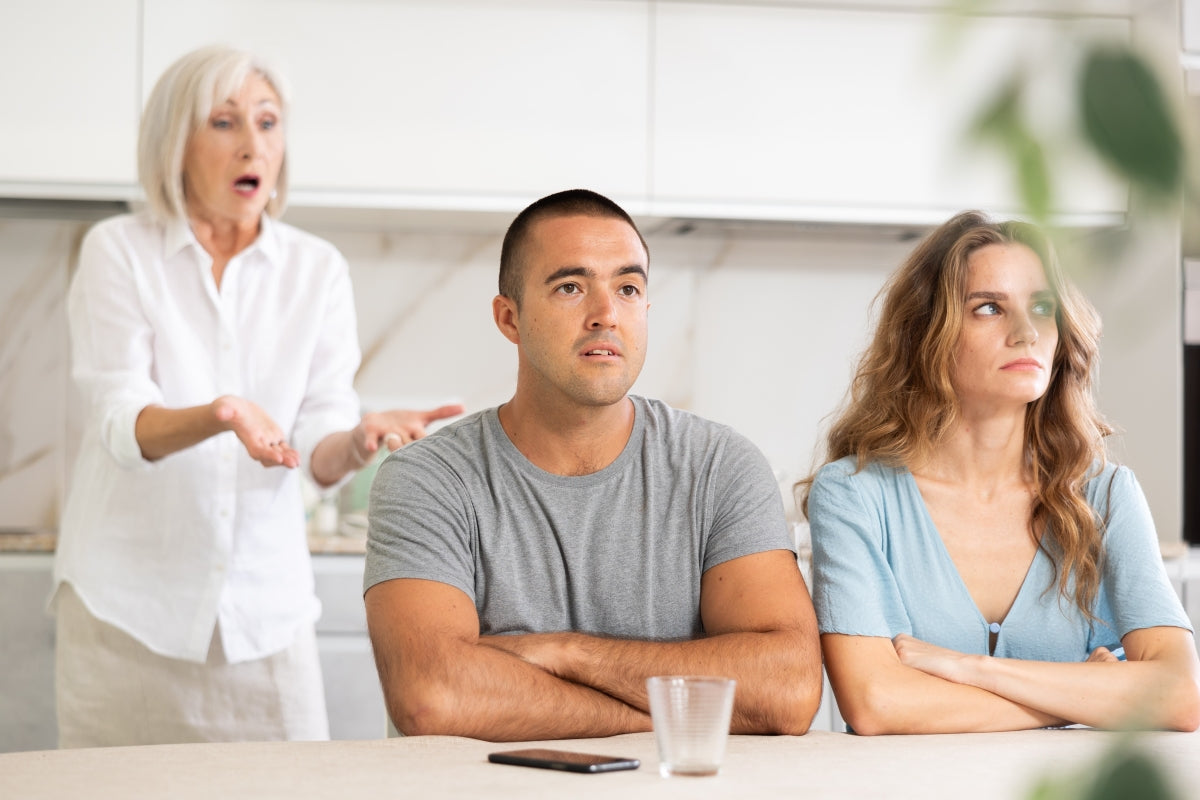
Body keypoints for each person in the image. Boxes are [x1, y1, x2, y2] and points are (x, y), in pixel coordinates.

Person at [53, 45, 463, 747]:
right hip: (125, 621)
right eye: (224, 121)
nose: (254, 144)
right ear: (173, 142)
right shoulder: (118, 250)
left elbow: (317, 447)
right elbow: (123, 424)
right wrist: (221, 415)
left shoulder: (317, 269)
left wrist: (358, 439)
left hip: (263, 623)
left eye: (268, 122)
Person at [364, 189, 822, 740]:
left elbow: (789, 690)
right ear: (510, 318)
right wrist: (665, 716)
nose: (606, 315)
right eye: (570, 287)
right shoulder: (429, 479)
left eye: (628, 289)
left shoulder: (720, 467)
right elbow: (433, 697)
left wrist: (567, 652)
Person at [803, 210, 1200, 734]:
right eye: (989, 307)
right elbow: (876, 704)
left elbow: (1179, 697)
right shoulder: (854, 495)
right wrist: (1079, 690)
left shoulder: (1105, 496)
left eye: (1042, 307)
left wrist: (975, 670)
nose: (1025, 332)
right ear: (927, 334)